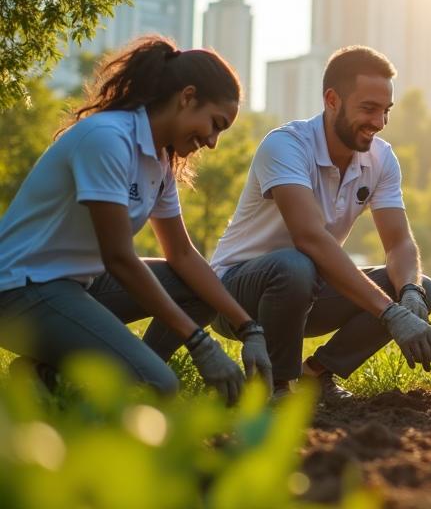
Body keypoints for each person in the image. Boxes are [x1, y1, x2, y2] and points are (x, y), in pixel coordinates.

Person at [0, 36, 271, 404]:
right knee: (157, 385)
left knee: (199, 292)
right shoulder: (108, 139)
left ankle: (49, 375)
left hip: (76, 283)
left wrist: (249, 327)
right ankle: (105, 381)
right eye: (215, 124)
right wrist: (199, 343)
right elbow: (119, 258)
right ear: (187, 96)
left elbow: (183, 256)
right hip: (22, 290)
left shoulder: (160, 161)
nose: (212, 142)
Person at [207, 45, 431, 400]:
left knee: (422, 288)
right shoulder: (286, 145)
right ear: (332, 99)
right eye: (368, 109)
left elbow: (398, 244)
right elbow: (310, 238)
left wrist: (409, 292)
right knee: (295, 265)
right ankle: (276, 387)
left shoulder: (381, 158)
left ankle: (316, 376)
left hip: (308, 290)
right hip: (237, 296)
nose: (378, 123)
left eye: (385, 111)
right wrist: (391, 315)